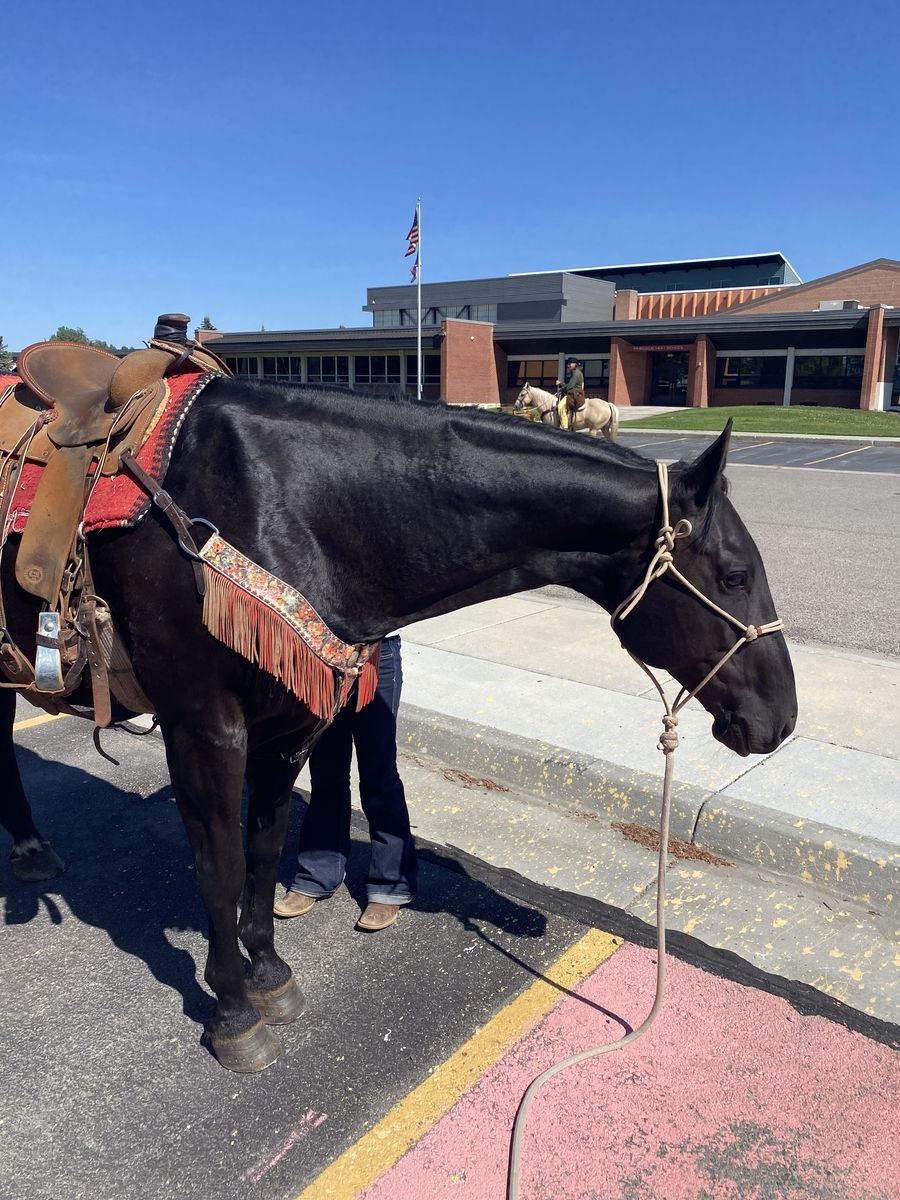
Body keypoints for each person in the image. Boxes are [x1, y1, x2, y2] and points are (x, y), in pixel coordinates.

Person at [274, 634, 417, 931]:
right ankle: (317, 873)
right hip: (323, 655)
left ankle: (389, 884)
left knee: (379, 774)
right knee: (326, 773)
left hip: (378, 656)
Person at [556, 356, 585, 430]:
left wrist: (561, 384)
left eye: (570, 364)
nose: (568, 365)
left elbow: (570, 386)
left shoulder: (576, 373)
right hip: (575, 392)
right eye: (568, 364)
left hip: (574, 394)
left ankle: (565, 427)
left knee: (560, 406)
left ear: (575, 364)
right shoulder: (576, 372)